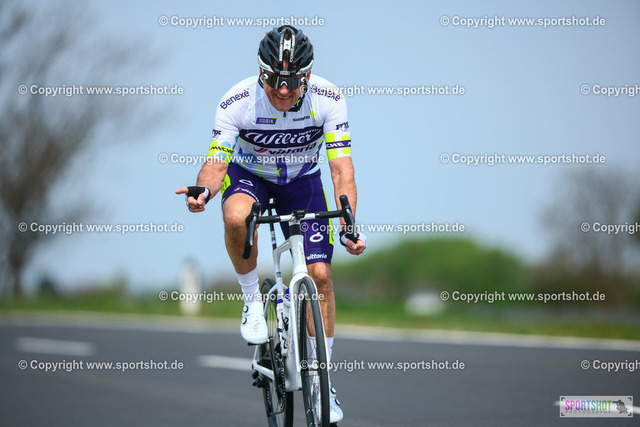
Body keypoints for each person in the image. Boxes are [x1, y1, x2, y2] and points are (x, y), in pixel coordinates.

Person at [175, 25, 366, 423]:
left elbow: (341, 169)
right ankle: (251, 303)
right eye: (274, 79)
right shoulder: (237, 102)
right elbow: (216, 163)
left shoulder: (329, 99)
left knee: (320, 276)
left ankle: (322, 382)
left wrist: (348, 222)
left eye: (292, 82)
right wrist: (204, 190)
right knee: (236, 217)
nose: (282, 90)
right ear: (260, 72)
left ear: (307, 76)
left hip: (302, 180)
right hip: (250, 176)